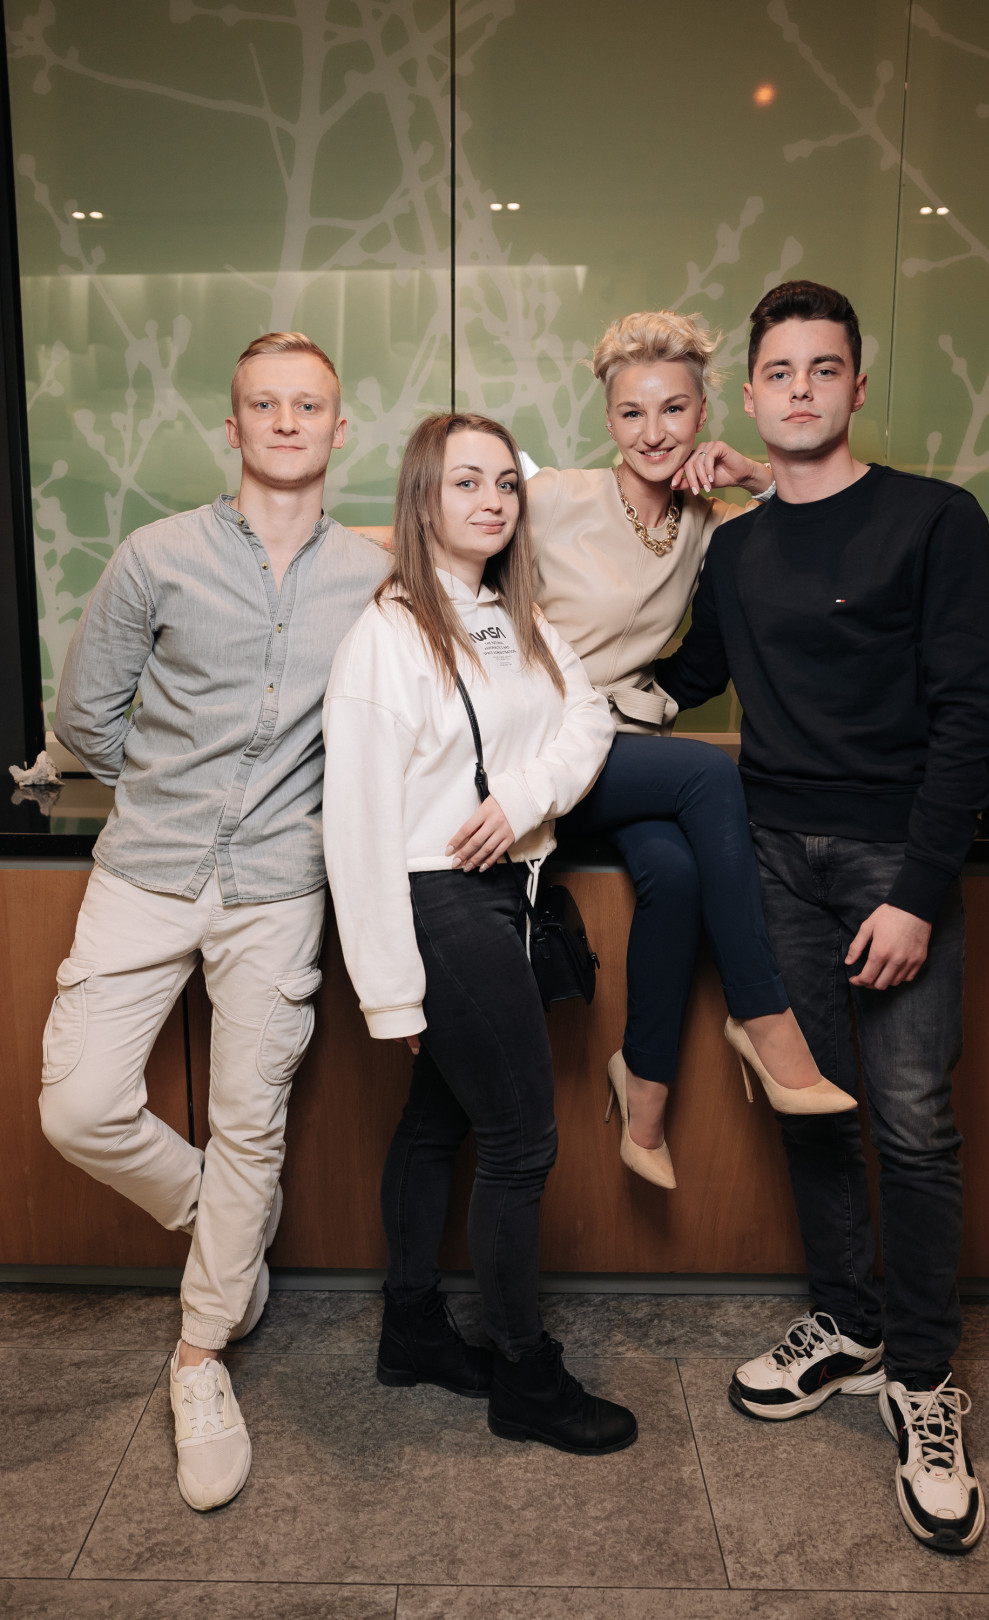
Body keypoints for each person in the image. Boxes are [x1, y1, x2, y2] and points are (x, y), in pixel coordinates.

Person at [655, 280, 989, 1554]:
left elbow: (974, 716)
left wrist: (916, 893)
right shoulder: (739, 549)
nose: (801, 388)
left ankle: (920, 1377)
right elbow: (687, 674)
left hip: (896, 859)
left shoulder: (935, 518)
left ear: (858, 387)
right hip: (773, 859)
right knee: (810, 1102)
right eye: (780, 371)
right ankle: (850, 1324)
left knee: (912, 1122)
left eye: (824, 369)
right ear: (750, 397)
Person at [40, 333, 389, 1511]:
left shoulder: (375, 578)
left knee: (252, 1120)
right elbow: (85, 718)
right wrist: (167, 786)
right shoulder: (156, 556)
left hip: (282, 885)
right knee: (79, 1106)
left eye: (309, 405)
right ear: (232, 428)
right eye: (265, 405)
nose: (287, 422)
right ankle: (223, 1220)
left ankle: (200, 1358)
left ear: (339, 429)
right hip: (146, 867)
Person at [322, 410, 637, 1455]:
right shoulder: (387, 635)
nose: (493, 500)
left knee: (439, 1120)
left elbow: (588, 718)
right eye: (466, 482)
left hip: (509, 889)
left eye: (505, 482)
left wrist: (522, 797)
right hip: (435, 901)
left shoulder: (513, 612)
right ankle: (524, 1377)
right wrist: (391, 993)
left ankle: (412, 1329)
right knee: (520, 1140)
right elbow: (357, 828)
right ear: (423, 498)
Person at [529, 311, 855, 1186]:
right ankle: (764, 1020)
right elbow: (443, 543)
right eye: (632, 413)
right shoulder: (553, 497)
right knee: (712, 772)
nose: (653, 432)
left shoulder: (709, 522)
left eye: (673, 409)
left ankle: (643, 1088)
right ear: (608, 419)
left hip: (632, 753)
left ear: (704, 413)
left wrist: (753, 474)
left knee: (673, 876)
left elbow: (820, 515)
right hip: (548, 752)